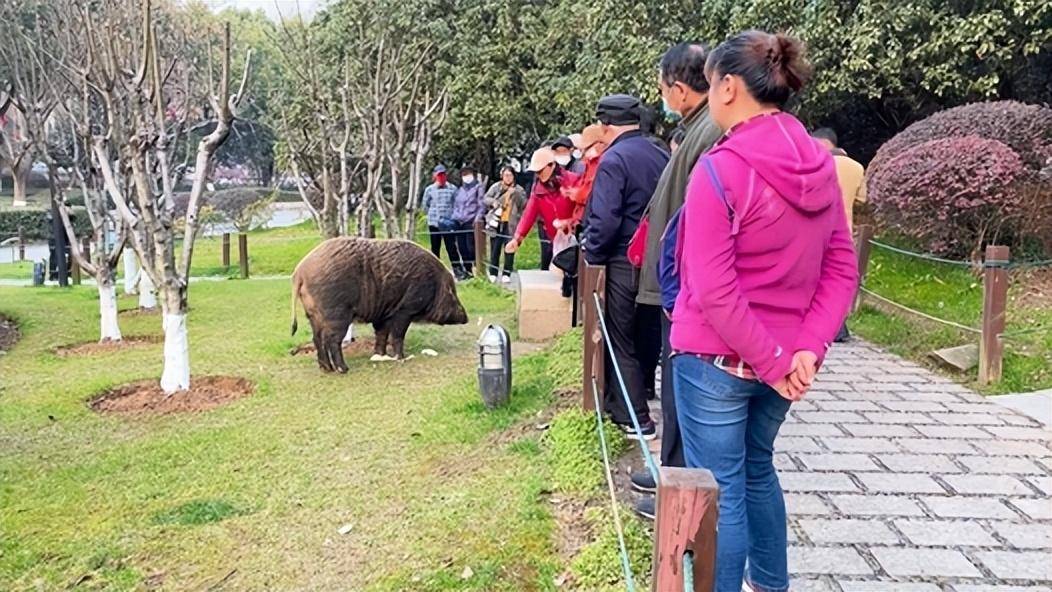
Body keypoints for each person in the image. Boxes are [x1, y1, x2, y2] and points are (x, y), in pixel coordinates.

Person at [668, 31, 858, 592]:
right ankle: (771, 586)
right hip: (785, 362)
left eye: (709, 84)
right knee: (757, 471)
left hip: (716, 360)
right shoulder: (821, 166)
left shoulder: (719, 169)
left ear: (727, 87)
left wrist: (776, 360)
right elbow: (842, 268)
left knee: (721, 489)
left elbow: (713, 287)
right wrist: (806, 348)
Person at [631, 42, 724, 518]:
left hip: (687, 290)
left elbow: (697, 219)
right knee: (674, 387)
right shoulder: (695, 129)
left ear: (681, 90)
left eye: (664, 88)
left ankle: (682, 496)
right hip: (680, 287)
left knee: (685, 391)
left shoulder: (709, 133)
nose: (663, 96)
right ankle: (671, 471)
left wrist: (678, 286)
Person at [583, 94, 669, 440]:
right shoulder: (661, 153)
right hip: (659, 261)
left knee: (621, 339)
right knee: (649, 336)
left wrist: (593, 255)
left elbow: (605, 220)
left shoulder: (614, 159)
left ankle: (635, 418)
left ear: (605, 125)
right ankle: (645, 392)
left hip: (623, 261)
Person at [813, 127, 867, 342]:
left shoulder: (817, 163)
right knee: (839, 277)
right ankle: (839, 325)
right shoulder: (856, 167)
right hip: (846, 230)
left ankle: (827, 326)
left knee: (818, 279)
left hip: (819, 228)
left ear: (825, 144)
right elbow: (863, 198)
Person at [505, 147, 576, 295]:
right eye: (536, 171)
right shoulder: (538, 190)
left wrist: (572, 222)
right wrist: (517, 238)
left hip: (576, 235)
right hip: (556, 240)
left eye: (540, 170)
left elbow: (583, 206)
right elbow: (528, 215)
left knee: (573, 276)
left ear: (552, 165)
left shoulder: (572, 181)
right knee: (559, 276)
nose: (538, 174)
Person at [483, 166, 526, 282]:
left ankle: (507, 273)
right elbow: (485, 198)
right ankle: (493, 272)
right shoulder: (496, 187)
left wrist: (515, 194)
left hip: (511, 223)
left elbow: (524, 205)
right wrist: (494, 202)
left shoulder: (519, 189)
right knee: (494, 249)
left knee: (509, 248)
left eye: (510, 175)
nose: (508, 178)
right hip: (496, 222)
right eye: (506, 175)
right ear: (502, 176)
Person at [422, 164, 460, 269]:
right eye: (439, 175)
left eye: (443, 174)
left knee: (451, 247)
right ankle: (434, 270)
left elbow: (457, 204)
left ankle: (457, 269)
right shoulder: (429, 190)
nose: (441, 177)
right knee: (435, 248)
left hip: (448, 223)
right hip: (434, 223)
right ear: (435, 176)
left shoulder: (453, 188)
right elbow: (425, 205)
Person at [451, 165, 486, 279]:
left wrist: (477, 219)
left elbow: (481, 205)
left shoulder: (478, 187)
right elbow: (456, 205)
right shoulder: (460, 190)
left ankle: (477, 267)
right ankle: (467, 270)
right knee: (461, 247)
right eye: (464, 174)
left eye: (468, 174)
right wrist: (455, 216)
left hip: (471, 221)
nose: (466, 177)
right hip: (459, 221)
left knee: (471, 247)